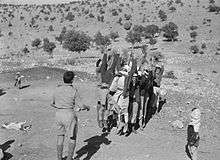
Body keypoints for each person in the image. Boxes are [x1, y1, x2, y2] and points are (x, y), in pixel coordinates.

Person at [51, 71, 90, 160]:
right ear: (72, 80)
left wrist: (60, 106)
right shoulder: (73, 91)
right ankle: (69, 158)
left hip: (58, 114)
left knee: (60, 136)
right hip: (69, 115)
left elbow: (52, 103)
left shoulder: (57, 89)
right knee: (72, 137)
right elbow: (81, 106)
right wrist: (87, 107)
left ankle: (59, 158)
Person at [108, 65, 130, 134]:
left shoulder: (120, 78)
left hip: (122, 94)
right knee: (121, 110)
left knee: (121, 110)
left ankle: (122, 124)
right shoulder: (121, 78)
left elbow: (112, 88)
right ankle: (121, 124)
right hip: (121, 94)